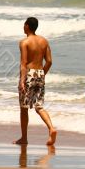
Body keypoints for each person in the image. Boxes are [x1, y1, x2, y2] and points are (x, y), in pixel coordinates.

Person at [13, 17, 57, 146]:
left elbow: (23, 63)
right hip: (40, 73)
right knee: (39, 106)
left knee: (24, 108)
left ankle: (24, 138)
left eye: (24, 24)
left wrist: (22, 81)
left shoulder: (24, 42)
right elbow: (49, 61)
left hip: (29, 75)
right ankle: (51, 128)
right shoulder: (44, 41)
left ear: (27, 26)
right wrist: (42, 74)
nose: (23, 26)